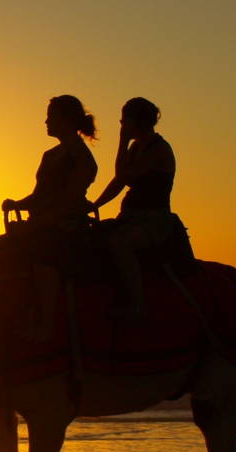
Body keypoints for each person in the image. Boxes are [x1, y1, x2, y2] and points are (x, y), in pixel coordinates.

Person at [1, 94, 98, 339]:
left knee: (44, 257)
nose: (45, 121)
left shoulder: (83, 159)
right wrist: (17, 204)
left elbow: (68, 203)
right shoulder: (50, 155)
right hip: (40, 224)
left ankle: (46, 324)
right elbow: (39, 196)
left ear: (65, 119)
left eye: (50, 116)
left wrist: (32, 227)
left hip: (65, 227)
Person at [90, 97, 176, 318]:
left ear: (135, 121)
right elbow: (118, 183)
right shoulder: (137, 147)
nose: (121, 124)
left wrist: (121, 142)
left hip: (154, 221)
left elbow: (124, 175)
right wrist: (94, 205)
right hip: (130, 217)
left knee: (120, 244)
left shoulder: (159, 150)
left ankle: (138, 304)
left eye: (124, 120)